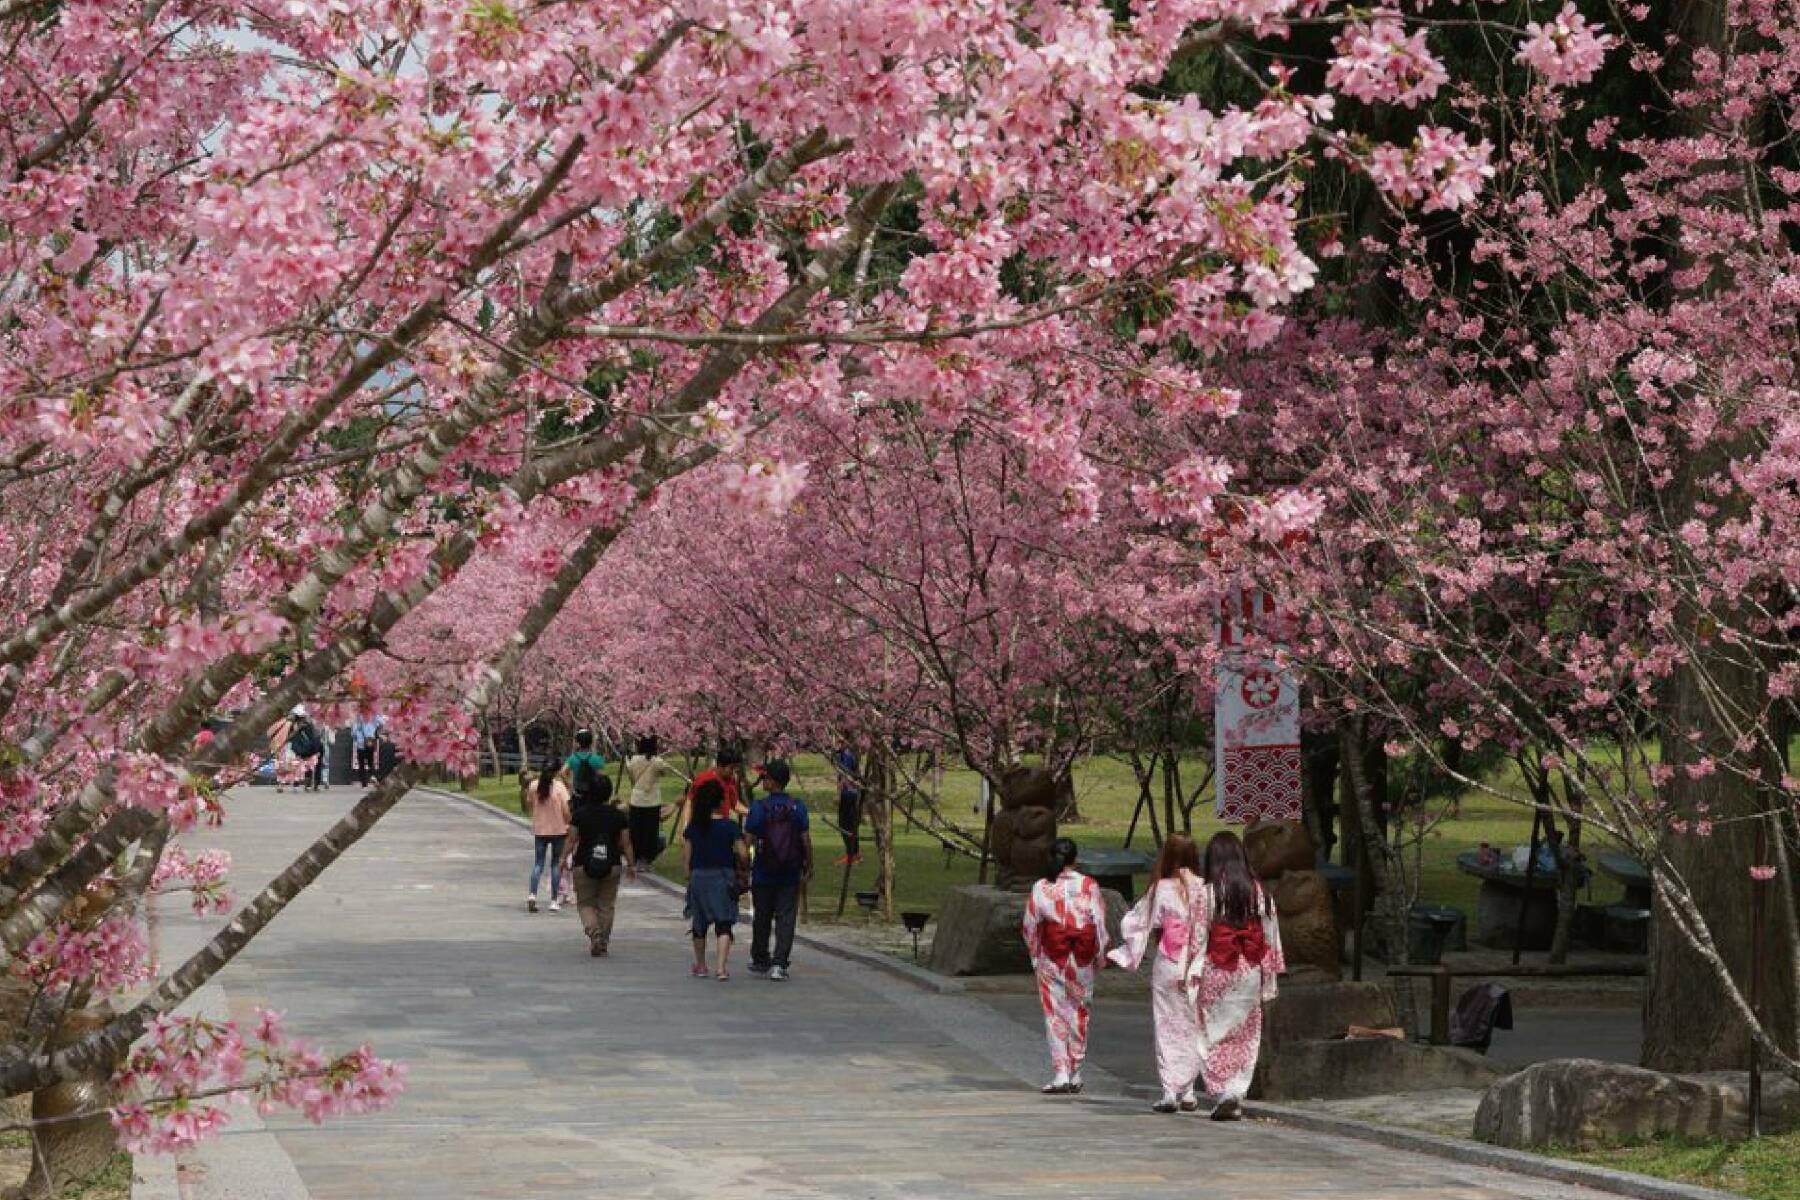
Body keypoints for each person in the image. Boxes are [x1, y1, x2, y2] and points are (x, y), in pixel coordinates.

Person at [1108, 833, 1208, 1113]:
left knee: (1166, 1023)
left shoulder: (1160, 889)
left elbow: (1136, 923)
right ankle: (1188, 1090)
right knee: (1193, 1024)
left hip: (1168, 961)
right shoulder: (1205, 888)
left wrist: (1127, 952)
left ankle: (1170, 1090)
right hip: (1198, 961)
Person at [1193, 831, 1285, 1120]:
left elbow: (1197, 938)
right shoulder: (1260, 893)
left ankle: (1222, 1090)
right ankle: (1236, 1090)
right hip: (1250, 968)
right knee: (1246, 1034)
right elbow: (1271, 937)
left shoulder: (1207, 894)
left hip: (1218, 966)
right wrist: (1270, 979)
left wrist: (1191, 972)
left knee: (1211, 1031)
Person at [1021, 838, 1108, 1095]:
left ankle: (1061, 1072)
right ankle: (1076, 1071)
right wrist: (1099, 958)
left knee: (1055, 1014)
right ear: (1075, 860)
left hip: (1052, 956)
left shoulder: (1042, 886)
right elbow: (1100, 926)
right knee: (1080, 1013)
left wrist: (1036, 956)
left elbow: (1029, 926)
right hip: (1081, 958)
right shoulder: (1089, 885)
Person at [744, 760, 812, 981]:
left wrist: (743, 863)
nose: (762, 781)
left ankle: (761, 958)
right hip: (790, 871)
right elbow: (805, 839)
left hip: (763, 870)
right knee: (786, 916)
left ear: (772, 782)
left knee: (762, 916)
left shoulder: (759, 807)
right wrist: (809, 863)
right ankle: (780, 963)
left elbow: (749, 838)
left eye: (765, 778)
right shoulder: (797, 807)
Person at [562, 774, 634, 956]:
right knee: (606, 904)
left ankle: (595, 933)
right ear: (609, 793)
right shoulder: (618, 816)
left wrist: (563, 859)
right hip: (612, 865)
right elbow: (626, 843)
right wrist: (631, 864)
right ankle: (603, 939)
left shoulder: (580, 815)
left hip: (583, 864)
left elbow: (571, 840)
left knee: (585, 903)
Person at [682, 778, 747, 980]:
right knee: (724, 923)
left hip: (699, 877)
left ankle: (701, 965)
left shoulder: (694, 828)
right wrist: (743, 868)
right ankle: (721, 968)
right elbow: (743, 853)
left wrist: (689, 876)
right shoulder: (730, 827)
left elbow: (687, 857)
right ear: (721, 802)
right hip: (723, 877)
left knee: (699, 925)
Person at [524, 766, 572, 914]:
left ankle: (532, 894)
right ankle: (553, 900)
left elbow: (530, 803)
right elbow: (566, 809)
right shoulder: (559, 787)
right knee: (556, 864)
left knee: (538, 863)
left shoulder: (533, 785)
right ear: (556, 771)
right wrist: (569, 823)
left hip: (540, 829)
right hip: (558, 830)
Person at [623, 736, 671, 866]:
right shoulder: (657, 761)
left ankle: (636, 856)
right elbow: (664, 772)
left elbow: (631, 774)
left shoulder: (634, 760)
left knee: (636, 830)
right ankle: (647, 858)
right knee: (650, 831)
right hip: (652, 801)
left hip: (637, 800)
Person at [685, 746, 744, 823]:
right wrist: (686, 827)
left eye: (736, 768)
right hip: (704, 826)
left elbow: (735, 805)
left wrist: (754, 813)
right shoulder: (704, 779)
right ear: (720, 765)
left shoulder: (731, 780)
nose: (733, 771)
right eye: (731, 768)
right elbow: (690, 802)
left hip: (721, 826)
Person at [286, 706, 326, 793]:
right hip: (310, 749)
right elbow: (315, 737)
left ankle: (309, 785)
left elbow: (290, 738)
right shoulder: (306, 724)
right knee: (309, 767)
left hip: (306, 749)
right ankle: (311, 785)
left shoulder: (299, 725)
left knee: (304, 767)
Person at [833, 748, 862, 866]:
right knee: (850, 824)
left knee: (845, 824)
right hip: (852, 793)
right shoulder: (847, 754)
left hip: (848, 794)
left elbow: (845, 775)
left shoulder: (846, 755)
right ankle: (855, 853)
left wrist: (838, 794)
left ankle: (851, 854)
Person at [351, 713, 384, 787]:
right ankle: (372, 775)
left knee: (361, 764)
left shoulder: (358, 717)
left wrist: (355, 738)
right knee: (370, 761)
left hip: (360, 743)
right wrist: (377, 732)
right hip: (370, 741)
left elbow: (353, 732)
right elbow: (382, 722)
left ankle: (364, 783)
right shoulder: (374, 715)